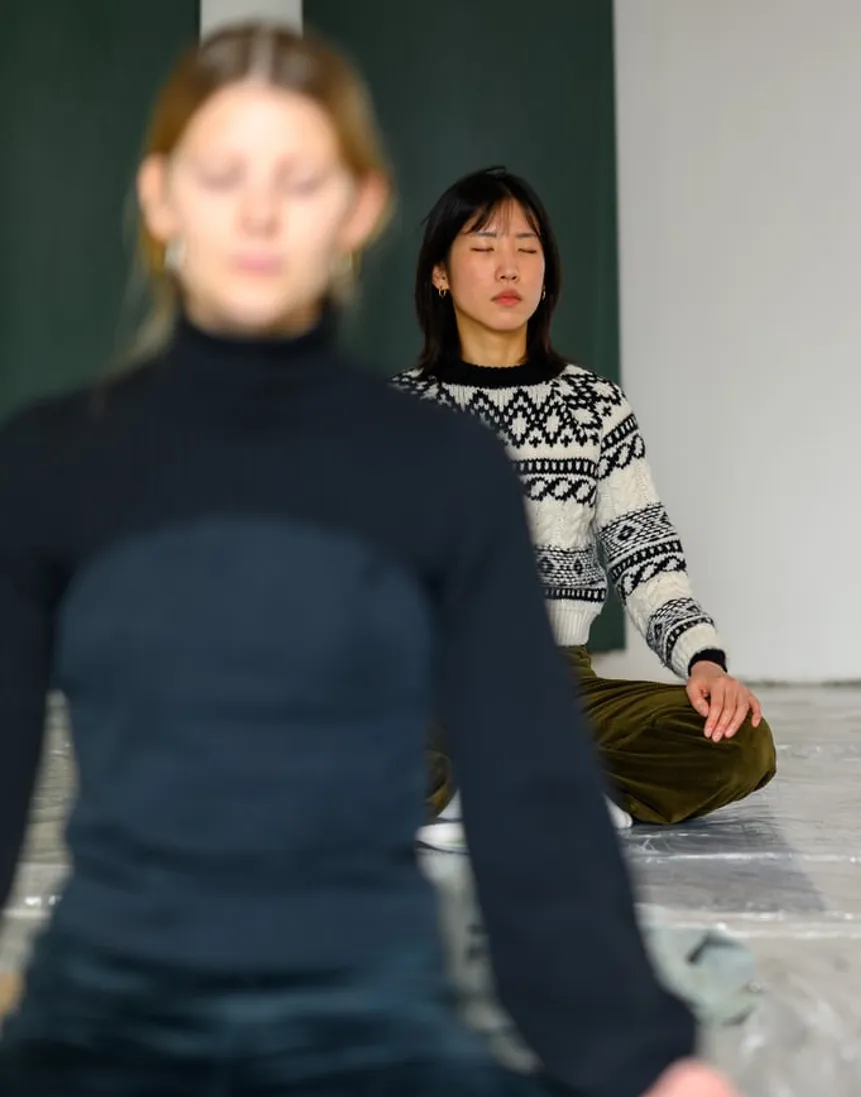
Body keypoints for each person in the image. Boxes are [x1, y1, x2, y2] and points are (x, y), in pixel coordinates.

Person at [0, 22, 739, 1097]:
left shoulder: (442, 468)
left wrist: (645, 1058)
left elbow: (532, 795)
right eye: (223, 173)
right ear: (161, 198)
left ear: (359, 207)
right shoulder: (49, 463)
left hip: (371, 1025)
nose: (259, 211)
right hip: (104, 1019)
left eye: (300, 179)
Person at [394, 168, 777, 827]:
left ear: (547, 272)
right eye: (484, 246)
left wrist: (705, 662)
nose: (509, 266)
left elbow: (647, 560)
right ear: (440, 274)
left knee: (740, 741)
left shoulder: (597, 407)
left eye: (528, 247)